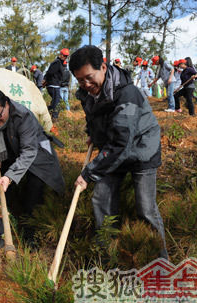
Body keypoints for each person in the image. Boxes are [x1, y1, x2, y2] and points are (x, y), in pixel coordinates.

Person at [69, 45, 168, 259]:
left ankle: (161, 261)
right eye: (80, 80)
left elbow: (122, 142)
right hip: (114, 150)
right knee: (101, 199)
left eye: (89, 77)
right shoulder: (86, 94)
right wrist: (93, 134)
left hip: (142, 149)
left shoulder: (127, 94)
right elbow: (94, 117)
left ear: (103, 67)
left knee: (145, 208)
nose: (86, 84)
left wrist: (88, 174)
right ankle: (108, 254)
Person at [0, 88, 65, 249]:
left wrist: (9, 177)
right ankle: (2, 231)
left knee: (35, 185)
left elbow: (28, 151)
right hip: (6, 150)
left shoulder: (24, 116)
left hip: (35, 150)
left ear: (7, 105)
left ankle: (30, 232)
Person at [44, 48, 69, 121]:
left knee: (57, 102)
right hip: (53, 86)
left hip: (55, 85)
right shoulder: (57, 62)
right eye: (64, 55)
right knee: (58, 102)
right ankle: (54, 118)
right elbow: (49, 72)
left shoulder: (60, 63)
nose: (65, 57)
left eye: (66, 56)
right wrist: (45, 81)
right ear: (60, 55)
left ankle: (47, 111)